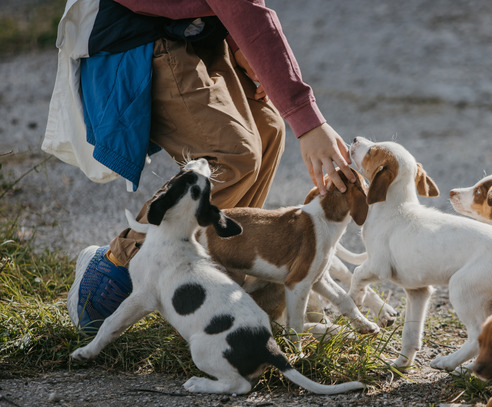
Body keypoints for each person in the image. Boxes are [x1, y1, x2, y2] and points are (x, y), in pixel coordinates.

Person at [60, 1, 357, 331]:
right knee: (231, 155)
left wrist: (236, 41)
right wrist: (307, 120)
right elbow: (244, 9)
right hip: (140, 32)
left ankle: (218, 278)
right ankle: (119, 262)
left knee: (268, 129)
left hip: (199, 29)